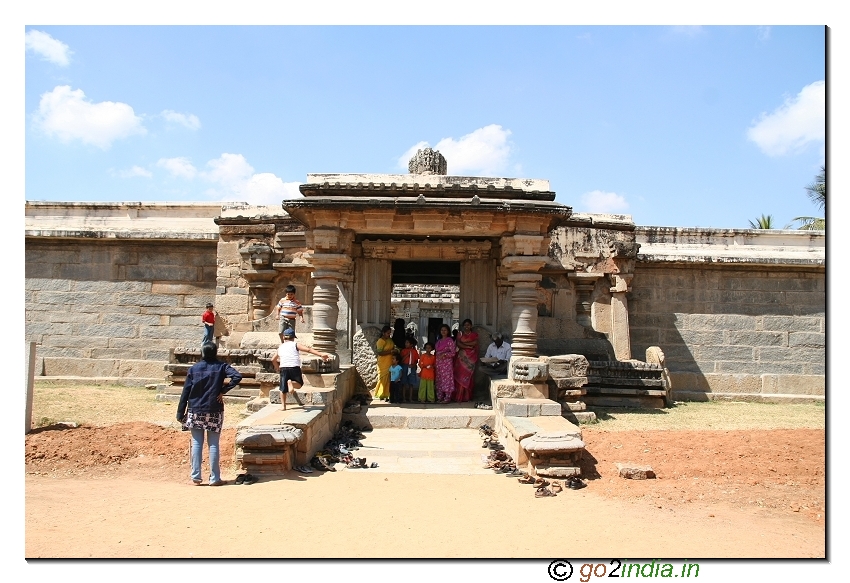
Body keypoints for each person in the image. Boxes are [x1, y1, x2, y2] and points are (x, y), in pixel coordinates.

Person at [176, 342, 242, 486]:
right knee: (213, 444)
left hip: (195, 409)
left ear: (203, 352)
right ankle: (214, 478)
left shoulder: (194, 369)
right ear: (215, 352)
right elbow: (237, 376)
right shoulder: (221, 367)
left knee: (197, 442)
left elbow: (185, 392)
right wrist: (223, 391)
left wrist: (180, 412)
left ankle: (196, 476)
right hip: (214, 409)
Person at [271, 328, 331, 411]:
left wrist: (277, 368)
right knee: (299, 384)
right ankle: (291, 383)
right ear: (293, 337)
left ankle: (283, 406)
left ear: (284, 337)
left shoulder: (280, 347)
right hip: (294, 366)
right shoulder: (295, 345)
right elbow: (308, 350)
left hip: (283, 368)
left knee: (282, 388)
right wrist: (321, 354)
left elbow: (273, 360)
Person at [452, 319, 479, 402]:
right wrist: (468, 346)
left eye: (468, 325)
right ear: (463, 326)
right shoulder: (460, 334)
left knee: (468, 377)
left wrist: (464, 345)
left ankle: (467, 397)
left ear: (471, 326)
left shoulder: (474, 334)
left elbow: (475, 343)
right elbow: (458, 344)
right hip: (461, 359)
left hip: (471, 359)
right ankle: (459, 397)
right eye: (465, 325)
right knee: (460, 376)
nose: (466, 326)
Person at [435, 324, 456, 403]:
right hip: (438, 363)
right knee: (439, 379)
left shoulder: (450, 341)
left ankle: (447, 398)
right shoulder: (439, 341)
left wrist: (445, 355)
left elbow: (453, 353)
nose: (443, 332)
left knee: (447, 380)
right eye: (442, 330)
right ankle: (440, 397)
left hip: (446, 363)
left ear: (448, 331)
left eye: (445, 330)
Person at [374, 325, 395, 401]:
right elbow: (380, 352)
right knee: (382, 378)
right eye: (387, 333)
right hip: (383, 362)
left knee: (389, 379)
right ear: (383, 333)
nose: (389, 335)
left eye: (390, 333)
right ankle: (380, 394)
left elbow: (393, 347)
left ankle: (387, 394)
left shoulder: (390, 340)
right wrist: (390, 351)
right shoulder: (380, 341)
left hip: (390, 361)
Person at [400, 336, 419, 403]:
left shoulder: (414, 351)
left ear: (411, 344)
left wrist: (413, 365)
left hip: (412, 367)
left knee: (411, 383)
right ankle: (404, 398)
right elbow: (401, 360)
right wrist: (407, 355)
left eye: (407, 343)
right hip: (405, 366)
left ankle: (410, 398)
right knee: (404, 383)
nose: (406, 344)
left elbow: (416, 360)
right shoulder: (403, 351)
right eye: (405, 343)